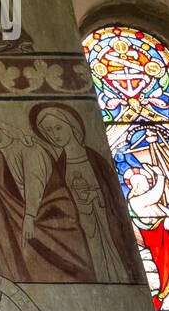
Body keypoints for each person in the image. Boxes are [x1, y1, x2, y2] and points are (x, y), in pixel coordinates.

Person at [0, 105, 91, 283]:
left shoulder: (27, 147)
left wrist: (29, 216)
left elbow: (34, 183)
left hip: (50, 211)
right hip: (20, 215)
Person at [29, 102, 144, 284]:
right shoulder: (59, 167)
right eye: (48, 132)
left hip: (105, 219)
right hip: (81, 223)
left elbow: (113, 196)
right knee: (93, 257)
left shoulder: (96, 160)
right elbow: (55, 200)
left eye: (58, 127)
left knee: (113, 254)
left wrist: (95, 195)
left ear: (71, 125)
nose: (54, 135)